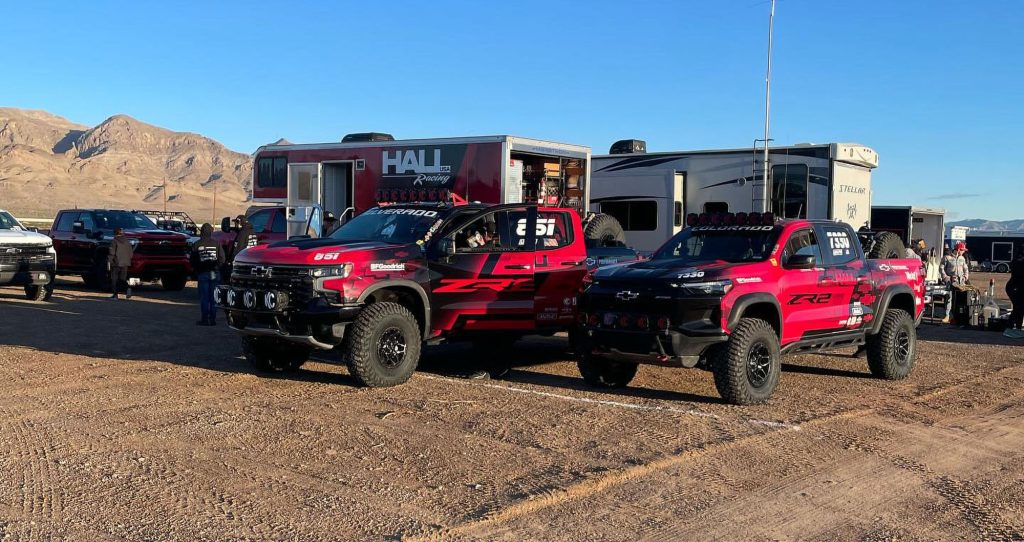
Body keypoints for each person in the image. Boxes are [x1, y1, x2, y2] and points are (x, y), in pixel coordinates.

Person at [191, 223, 225, 326]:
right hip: (214, 273)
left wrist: (198, 269)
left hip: (203, 274)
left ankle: (205, 319)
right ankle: (213, 319)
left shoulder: (197, 244)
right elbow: (222, 258)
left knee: (204, 297)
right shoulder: (217, 243)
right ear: (211, 232)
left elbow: (193, 260)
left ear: (201, 232)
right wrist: (217, 267)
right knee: (213, 297)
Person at [108, 228, 134, 299]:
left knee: (114, 279)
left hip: (116, 262)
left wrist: (109, 261)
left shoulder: (114, 241)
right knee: (123, 278)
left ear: (115, 233)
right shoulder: (127, 241)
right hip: (125, 262)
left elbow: (112, 252)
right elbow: (131, 253)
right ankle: (127, 288)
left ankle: (115, 294)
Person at [1004, 250, 1024, 339]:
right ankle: (1011, 326)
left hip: (1017, 287)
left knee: (1019, 307)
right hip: (1014, 287)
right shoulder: (1019, 261)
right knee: (1019, 307)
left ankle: (1016, 327)